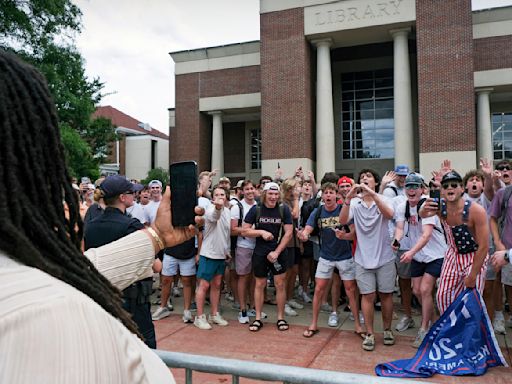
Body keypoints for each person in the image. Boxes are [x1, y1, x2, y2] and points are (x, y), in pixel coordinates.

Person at [0, 50, 201, 383]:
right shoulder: (51, 318)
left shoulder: (91, 223)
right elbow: (48, 293)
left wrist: (157, 236)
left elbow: (69, 274)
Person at [339, 169, 396, 351]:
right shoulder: (355, 203)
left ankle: (387, 330)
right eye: (361, 177)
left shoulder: (384, 199)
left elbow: (389, 215)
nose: (364, 179)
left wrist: (374, 195)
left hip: (385, 257)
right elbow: (342, 220)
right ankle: (370, 333)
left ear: (376, 183)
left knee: (386, 295)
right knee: (368, 296)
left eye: (368, 177)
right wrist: (347, 199)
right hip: (362, 258)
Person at [298, 182, 363, 338]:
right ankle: (313, 323)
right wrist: (304, 235)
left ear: (336, 195)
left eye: (331, 192)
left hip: (345, 256)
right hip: (325, 256)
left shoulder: (343, 210)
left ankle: (358, 326)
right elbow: (308, 229)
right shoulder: (318, 211)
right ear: (322, 196)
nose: (328, 195)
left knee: (350, 290)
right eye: (325, 193)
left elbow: (354, 234)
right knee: (319, 289)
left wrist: (344, 236)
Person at [421, 170, 489, 314]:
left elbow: (483, 247)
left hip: (474, 256)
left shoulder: (476, 211)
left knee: (471, 302)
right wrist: (423, 208)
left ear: (462, 188)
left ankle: (469, 335)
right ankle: (450, 333)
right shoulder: (441, 207)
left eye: (454, 185)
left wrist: (473, 275)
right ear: (442, 191)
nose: (450, 188)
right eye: (445, 186)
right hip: (452, 255)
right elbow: (423, 214)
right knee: (442, 297)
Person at [393, 173, 447, 347]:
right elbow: (400, 229)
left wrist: (410, 252)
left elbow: (426, 235)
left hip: (435, 253)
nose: (411, 189)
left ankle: (424, 330)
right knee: (416, 290)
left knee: (425, 290)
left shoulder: (428, 205)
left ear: (422, 189)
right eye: (408, 186)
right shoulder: (403, 206)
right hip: (418, 254)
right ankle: (434, 322)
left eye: (415, 186)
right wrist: (396, 241)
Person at [242, 182, 293, 332]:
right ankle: (257, 318)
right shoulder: (256, 209)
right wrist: (260, 232)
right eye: (270, 194)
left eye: (276, 194)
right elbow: (244, 231)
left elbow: (289, 233)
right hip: (260, 252)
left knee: (280, 285)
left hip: (279, 252)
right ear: (264, 194)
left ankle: (280, 317)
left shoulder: (283, 209)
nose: (273, 197)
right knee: (259, 284)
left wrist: (277, 252)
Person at [194, 185, 231, 330]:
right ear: (213, 197)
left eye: (222, 194)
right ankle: (199, 317)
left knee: (216, 286)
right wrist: (217, 208)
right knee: (204, 286)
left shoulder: (228, 212)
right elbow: (214, 216)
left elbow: (226, 233)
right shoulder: (210, 210)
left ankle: (214, 314)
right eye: (216, 194)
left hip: (221, 255)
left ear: (226, 196)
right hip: (208, 254)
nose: (220, 197)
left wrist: (227, 250)